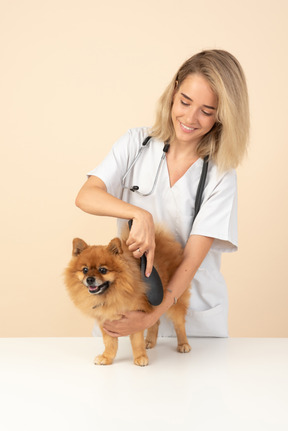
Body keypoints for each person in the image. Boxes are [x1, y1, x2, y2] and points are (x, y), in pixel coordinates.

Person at [75, 49, 249, 339]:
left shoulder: (221, 175)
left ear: (222, 116)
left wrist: (151, 317)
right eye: (185, 101)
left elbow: (191, 260)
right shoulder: (135, 144)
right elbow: (86, 196)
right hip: (126, 304)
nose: (190, 118)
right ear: (174, 90)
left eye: (207, 111)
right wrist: (138, 214)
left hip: (193, 316)